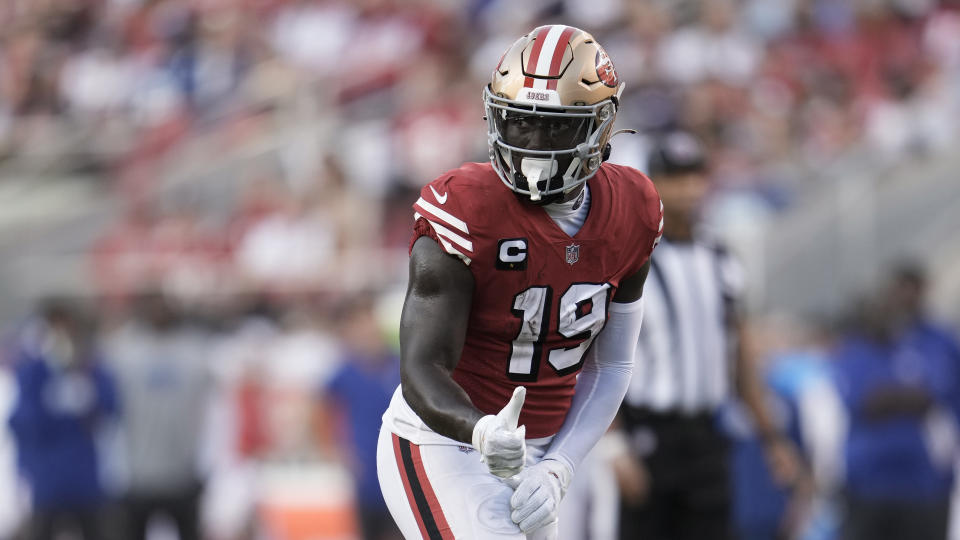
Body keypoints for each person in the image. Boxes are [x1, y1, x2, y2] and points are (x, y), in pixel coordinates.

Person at [376, 24, 663, 539]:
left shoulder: (635, 209)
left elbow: (613, 363)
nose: (532, 144)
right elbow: (420, 366)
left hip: (546, 451)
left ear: (601, 125)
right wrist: (481, 429)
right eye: (520, 122)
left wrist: (560, 467)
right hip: (445, 441)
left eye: (554, 127)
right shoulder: (464, 207)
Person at [615, 131, 802, 540]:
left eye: (694, 177)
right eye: (675, 177)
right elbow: (600, 357)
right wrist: (613, 446)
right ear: (654, 182)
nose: (687, 189)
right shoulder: (632, 258)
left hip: (707, 435)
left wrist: (772, 438)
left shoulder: (720, 259)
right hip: (649, 434)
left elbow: (739, 357)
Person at [831, 263, 960, 540]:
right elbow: (865, 400)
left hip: (927, 486)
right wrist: (913, 396)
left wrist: (901, 397)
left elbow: (940, 393)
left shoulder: (938, 341)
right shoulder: (859, 344)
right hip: (868, 484)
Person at [104, 291, 211, 540]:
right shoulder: (122, 352)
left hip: (183, 474)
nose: (158, 312)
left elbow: (213, 412)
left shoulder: (195, 351)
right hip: (137, 476)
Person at [8, 299, 117, 540]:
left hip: (85, 480)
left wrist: (89, 399)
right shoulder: (33, 371)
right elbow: (19, 423)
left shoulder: (91, 367)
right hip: (48, 482)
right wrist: (49, 406)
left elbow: (111, 411)